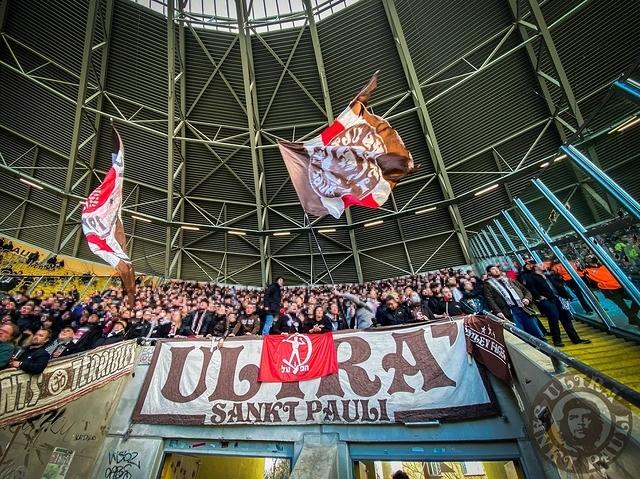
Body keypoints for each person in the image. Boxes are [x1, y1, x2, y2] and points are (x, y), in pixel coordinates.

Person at [526, 263, 591, 347]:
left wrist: (567, 295)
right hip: (548, 299)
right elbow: (531, 288)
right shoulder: (531, 277)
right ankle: (557, 340)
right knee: (554, 318)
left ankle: (575, 339)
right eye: (540, 264)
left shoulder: (547, 275)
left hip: (558, 298)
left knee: (566, 318)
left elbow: (558, 286)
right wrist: (539, 297)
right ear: (535, 267)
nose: (543, 265)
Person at [483, 264, 544, 339]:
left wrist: (527, 298)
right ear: (489, 273)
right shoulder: (488, 285)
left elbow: (525, 291)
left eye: (497, 268)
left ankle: (543, 346)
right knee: (520, 333)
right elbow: (490, 300)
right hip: (510, 311)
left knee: (535, 330)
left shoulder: (510, 280)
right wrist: (498, 311)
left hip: (523, 307)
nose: (496, 270)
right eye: (493, 269)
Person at [583, 257, 639, 325]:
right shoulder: (587, 270)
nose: (590, 257)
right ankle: (636, 321)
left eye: (590, 256)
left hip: (620, 287)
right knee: (624, 307)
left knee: (636, 299)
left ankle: (632, 319)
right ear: (587, 261)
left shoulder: (604, 266)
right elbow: (591, 284)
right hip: (609, 291)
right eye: (588, 257)